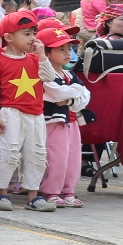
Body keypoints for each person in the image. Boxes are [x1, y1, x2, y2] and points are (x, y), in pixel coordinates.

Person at [0, 11, 55, 211]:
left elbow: (49, 77)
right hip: (10, 113)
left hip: (36, 114)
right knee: (8, 152)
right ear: (8, 37)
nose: (32, 38)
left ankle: (33, 196)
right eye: (26, 34)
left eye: (34, 33)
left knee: (37, 153)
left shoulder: (34, 59)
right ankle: (1, 193)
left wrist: (42, 55)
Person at [37, 25, 89, 208]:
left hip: (71, 122)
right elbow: (56, 93)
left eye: (69, 48)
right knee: (55, 157)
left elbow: (86, 96)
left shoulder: (69, 73)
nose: (68, 53)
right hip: (53, 121)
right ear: (46, 53)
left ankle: (68, 191)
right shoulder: (44, 74)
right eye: (61, 49)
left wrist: (71, 100)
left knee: (73, 157)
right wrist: (75, 93)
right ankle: (51, 190)